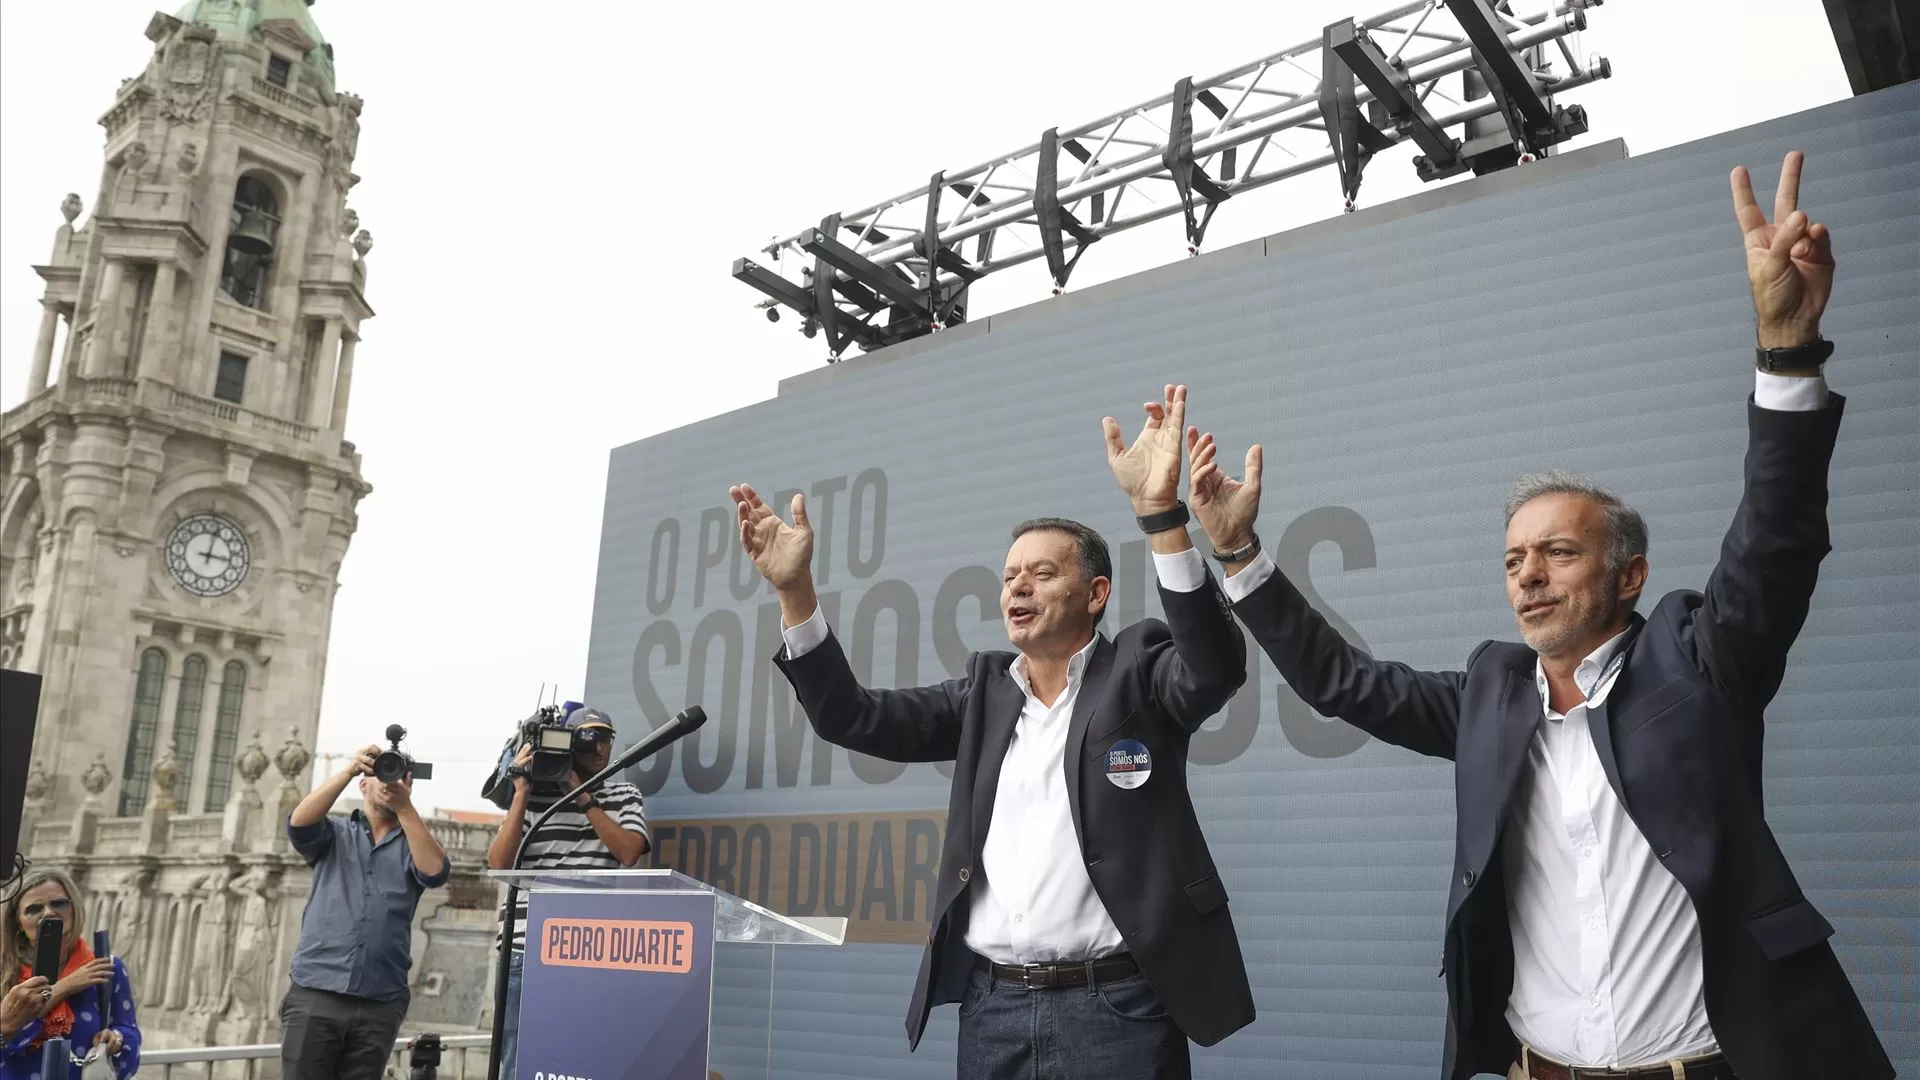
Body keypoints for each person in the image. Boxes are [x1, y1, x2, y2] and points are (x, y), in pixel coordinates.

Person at [1187, 151, 1893, 1079]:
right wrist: (1240, 553)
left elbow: (1774, 541)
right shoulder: (1490, 696)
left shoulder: (1700, 660)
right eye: (1514, 559)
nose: (1528, 576)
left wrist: (1786, 349)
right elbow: (1339, 683)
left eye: (1558, 552)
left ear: (1630, 575)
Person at [729, 384, 1254, 1080]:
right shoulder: (982, 694)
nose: (1018, 588)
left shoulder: (1139, 670)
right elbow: (848, 717)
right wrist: (794, 592)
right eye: (1010, 577)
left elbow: (1214, 667)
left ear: (1095, 594)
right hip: (995, 1010)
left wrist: (1161, 516)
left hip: (1118, 1010)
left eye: (1042, 573)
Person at [484, 705, 650, 1080]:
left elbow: (628, 851)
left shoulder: (624, 794)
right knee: (516, 1058)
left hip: (590, 949)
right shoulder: (532, 798)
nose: (599, 748)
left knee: (580, 1057)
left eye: (605, 738)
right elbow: (500, 864)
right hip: (525, 948)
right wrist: (521, 792)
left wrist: (582, 797)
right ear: (569, 743)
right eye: (589, 739)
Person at [281, 742, 450, 1080]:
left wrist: (405, 807)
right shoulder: (335, 832)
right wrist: (348, 769)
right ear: (363, 785)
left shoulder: (414, 842)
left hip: (379, 999)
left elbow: (435, 872)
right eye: (381, 774)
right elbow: (298, 824)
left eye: (399, 777)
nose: (389, 783)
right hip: (317, 991)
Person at [1, 868, 140, 1079]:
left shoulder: (105, 968)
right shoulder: (5, 973)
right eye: (34, 908)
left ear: (74, 909)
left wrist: (115, 1040)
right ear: (18, 923)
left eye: (59, 903)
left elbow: (129, 1037)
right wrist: (64, 987)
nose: (49, 913)